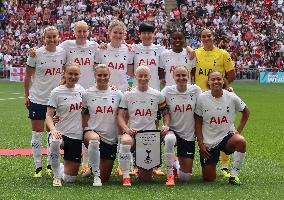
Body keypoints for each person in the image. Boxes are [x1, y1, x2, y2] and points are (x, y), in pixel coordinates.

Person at [29, 21, 100, 176]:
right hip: (61, 95)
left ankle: (86, 164)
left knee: (83, 128)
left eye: (84, 31)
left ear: (88, 31)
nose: (81, 33)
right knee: (50, 130)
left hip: (85, 94)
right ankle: (41, 167)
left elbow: (102, 60)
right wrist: (33, 51)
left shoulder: (95, 46)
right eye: (78, 31)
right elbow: (46, 53)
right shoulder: (66, 46)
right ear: (73, 32)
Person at [117, 65, 175, 186]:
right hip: (134, 134)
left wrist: (166, 125)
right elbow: (120, 116)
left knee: (146, 179)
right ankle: (126, 176)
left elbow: (166, 114)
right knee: (125, 141)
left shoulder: (157, 95)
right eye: (140, 76)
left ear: (150, 77)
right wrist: (127, 129)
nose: (143, 78)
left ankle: (168, 175)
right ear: (135, 77)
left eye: (145, 76)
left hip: (150, 137)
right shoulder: (127, 95)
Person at [190, 29, 236, 177]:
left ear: (213, 37)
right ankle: (206, 159)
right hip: (201, 99)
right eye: (203, 36)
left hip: (218, 98)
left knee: (222, 128)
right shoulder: (196, 53)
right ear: (200, 38)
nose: (206, 38)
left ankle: (224, 166)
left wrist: (225, 86)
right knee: (203, 130)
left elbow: (231, 74)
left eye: (209, 35)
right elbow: (191, 72)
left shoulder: (223, 54)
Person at [24, 26, 66, 177]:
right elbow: (27, 76)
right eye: (49, 37)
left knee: (52, 134)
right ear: (44, 38)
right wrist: (26, 95)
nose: (52, 40)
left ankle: (50, 164)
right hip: (37, 99)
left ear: (58, 37)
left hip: (54, 102)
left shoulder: (63, 52)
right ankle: (37, 167)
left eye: (54, 36)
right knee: (36, 134)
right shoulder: (36, 54)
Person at [194, 70, 250, 185]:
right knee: (209, 178)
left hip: (226, 137)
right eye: (213, 79)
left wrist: (238, 131)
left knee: (240, 141)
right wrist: (201, 143)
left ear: (223, 81)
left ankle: (234, 175)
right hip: (209, 141)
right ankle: (213, 162)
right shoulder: (202, 98)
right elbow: (198, 122)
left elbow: (246, 111)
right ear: (208, 82)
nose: (216, 81)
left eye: (219, 79)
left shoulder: (231, 97)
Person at [82, 64, 123, 186]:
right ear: (95, 76)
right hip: (92, 132)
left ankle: (93, 168)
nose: (102, 77)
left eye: (105, 75)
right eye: (99, 75)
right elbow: (82, 114)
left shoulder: (118, 94)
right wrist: (83, 130)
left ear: (109, 76)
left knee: (105, 177)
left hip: (110, 138)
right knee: (94, 140)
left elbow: (124, 114)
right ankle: (95, 176)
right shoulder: (87, 94)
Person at [46, 62, 85, 187]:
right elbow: (48, 115)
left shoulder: (82, 91)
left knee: (70, 179)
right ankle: (56, 175)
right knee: (55, 141)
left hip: (76, 136)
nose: (73, 76)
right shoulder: (56, 92)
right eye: (70, 73)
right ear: (64, 73)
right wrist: (52, 129)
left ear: (79, 75)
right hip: (60, 133)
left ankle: (60, 167)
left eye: (76, 74)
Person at [161, 66, 202, 182]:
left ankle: (175, 162)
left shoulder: (196, 90)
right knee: (169, 139)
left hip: (188, 134)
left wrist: (227, 91)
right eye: (178, 75)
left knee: (185, 178)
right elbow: (154, 99)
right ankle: (169, 176)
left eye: (184, 75)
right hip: (172, 130)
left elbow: (208, 100)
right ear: (173, 77)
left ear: (188, 77)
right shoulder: (167, 91)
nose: (181, 78)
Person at [95, 19, 134, 92]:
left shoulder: (129, 51)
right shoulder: (101, 50)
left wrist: (130, 86)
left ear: (124, 35)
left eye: (120, 33)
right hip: (105, 90)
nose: (118, 35)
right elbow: (95, 72)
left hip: (123, 90)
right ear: (109, 33)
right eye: (115, 32)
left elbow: (130, 74)